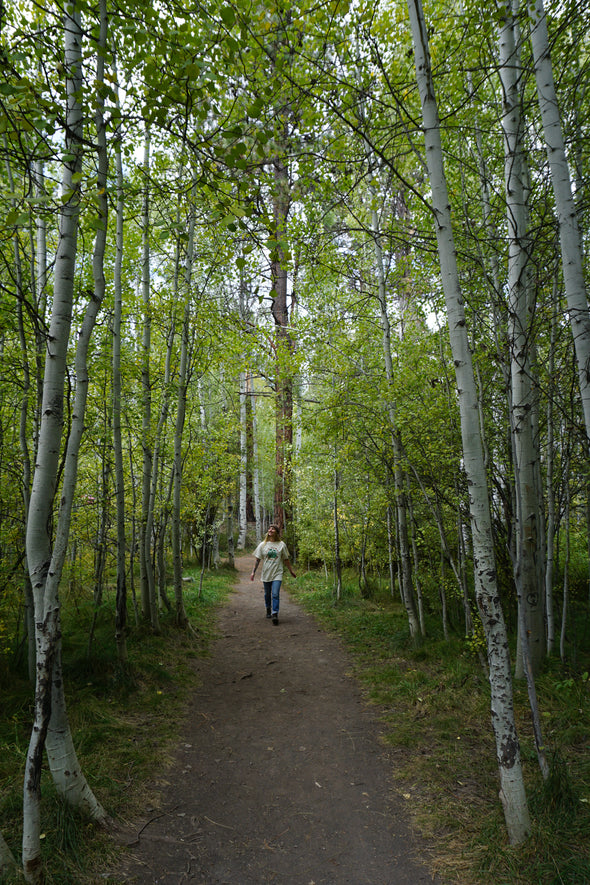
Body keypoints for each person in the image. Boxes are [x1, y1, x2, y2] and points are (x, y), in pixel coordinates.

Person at [250, 524, 296, 625]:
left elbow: (286, 559)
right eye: (269, 528)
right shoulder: (263, 545)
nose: (270, 530)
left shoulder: (281, 545)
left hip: (277, 573)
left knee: (275, 594)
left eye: (273, 529)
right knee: (267, 594)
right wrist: (253, 572)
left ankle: (275, 614)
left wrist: (291, 571)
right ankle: (268, 608)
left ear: (276, 532)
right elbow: (257, 559)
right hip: (266, 572)